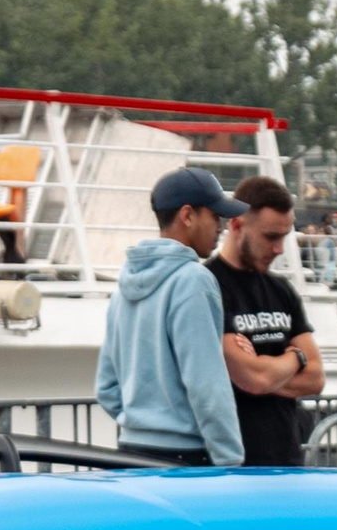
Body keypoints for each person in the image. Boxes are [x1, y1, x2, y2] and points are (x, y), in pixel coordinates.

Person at [95, 168, 246, 466]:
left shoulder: (123, 287)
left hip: (130, 451)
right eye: (215, 216)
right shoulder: (193, 280)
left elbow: (106, 388)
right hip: (184, 457)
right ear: (187, 215)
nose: (221, 227)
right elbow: (206, 385)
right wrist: (230, 462)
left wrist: (140, 422)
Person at [210, 173, 324, 468]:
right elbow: (254, 378)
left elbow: (316, 378)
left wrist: (259, 375)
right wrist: (295, 359)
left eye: (284, 236)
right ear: (237, 225)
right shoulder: (208, 285)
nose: (279, 249)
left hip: (286, 459)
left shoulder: (281, 290)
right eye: (271, 236)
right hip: (231, 463)